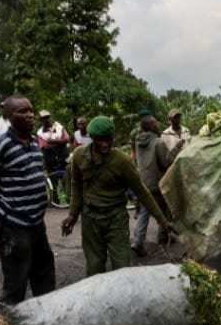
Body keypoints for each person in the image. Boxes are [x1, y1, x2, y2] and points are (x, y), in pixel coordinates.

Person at [62, 116, 177, 276]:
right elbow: (77, 185)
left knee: (122, 269)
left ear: (113, 137)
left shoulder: (122, 161)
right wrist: (73, 214)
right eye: (100, 140)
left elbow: (142, 192)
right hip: (90, 219)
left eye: (108, 139)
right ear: (92, 138)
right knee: (94, 268)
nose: (105, 144)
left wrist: (163, 221)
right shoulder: (79, 156)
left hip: (116, 219)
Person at [0, 95, 56, 305]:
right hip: (14, 225)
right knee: (16, 281)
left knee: (45, 275)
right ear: (7, 116)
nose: (30, 115)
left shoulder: (34, 141)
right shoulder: (0, 144)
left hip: (36, 224)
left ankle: (46, 320)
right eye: (22, 111)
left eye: (30, 110)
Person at [131, 115, 183, 256]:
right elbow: (166, 162)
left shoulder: (138, 140)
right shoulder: (158, 142)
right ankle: (163, 235)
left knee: (144, 211)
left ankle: (137, 240)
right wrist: (177, 148)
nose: (157, 124)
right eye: (154, 123)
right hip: (155, 183)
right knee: (164, 208)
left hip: (142, 182)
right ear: (149, 126)